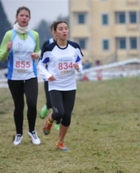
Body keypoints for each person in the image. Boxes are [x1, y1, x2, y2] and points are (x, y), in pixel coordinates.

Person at [38, 20, 83, 151]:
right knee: (59, 112)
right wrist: (47, 75)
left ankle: (60, 142)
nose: (64, 31)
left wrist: (78, 67)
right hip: (55, 85)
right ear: (55, 33)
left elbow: (79, 62)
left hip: (70, 86)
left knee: (67, 116)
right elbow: (41, 65)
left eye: (66, 28)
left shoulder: (74, 47)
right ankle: (49, 120)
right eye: (61, 29)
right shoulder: (49, 49)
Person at [0, 6, 41, 146]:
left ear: (29, 18)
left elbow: (38, 51)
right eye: (21, 15)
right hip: (14, 76)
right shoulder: (9, 35)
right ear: (17, 17)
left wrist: (37, 55)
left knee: (32, 103)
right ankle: (18, 134)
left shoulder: (34, 35)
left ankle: (32, 131)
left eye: (26, 16)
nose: (24, 18)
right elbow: (1, 57)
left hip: (30, 75)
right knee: (19, 106)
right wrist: (7, 49)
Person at [39, 22, 61, 130]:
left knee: (61, 102)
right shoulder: (47, 44)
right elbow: (42, 61)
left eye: (60, 29)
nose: (58, 32)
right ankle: (47, 106)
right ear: (52, 32)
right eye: (55, 30)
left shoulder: (66, 45)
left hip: (62, 78)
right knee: (51, 100)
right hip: (49, 77)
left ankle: (57, 123)